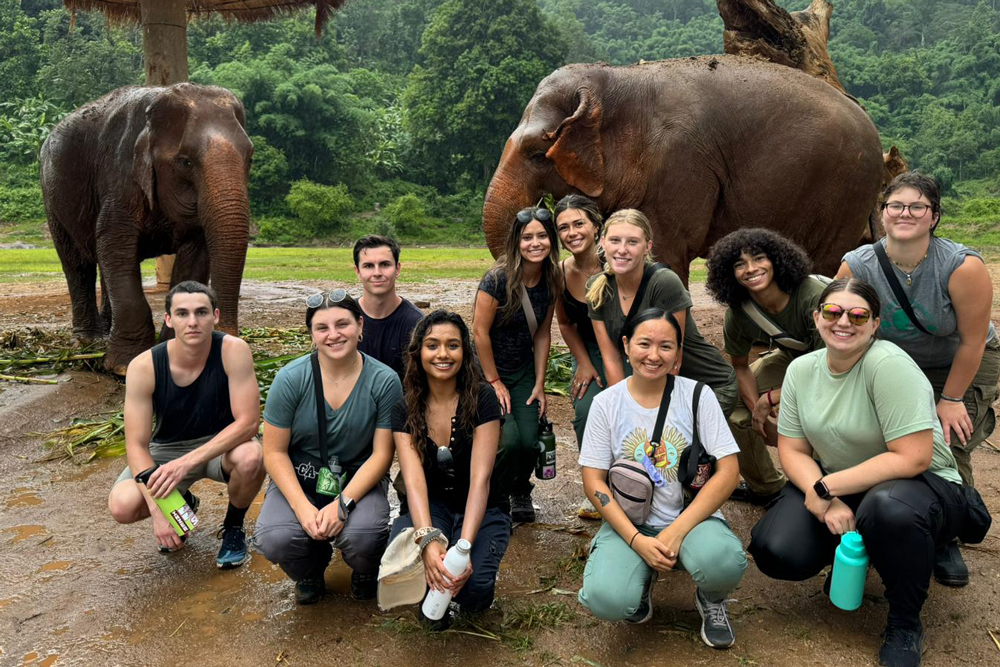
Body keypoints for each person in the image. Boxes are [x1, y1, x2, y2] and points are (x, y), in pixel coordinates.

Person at [748, 278, 982, 667]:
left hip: (921, 485)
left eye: (858, 315)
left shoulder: (888, 365)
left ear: (875, 324)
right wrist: (825, 498)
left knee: (888, 509)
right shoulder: (802, 370)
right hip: (847, 481)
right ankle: (861, 546)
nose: (844, 322)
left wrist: (825, 488)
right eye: (833, 312)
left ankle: (905, 621)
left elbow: (914, 458)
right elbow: (792, 448)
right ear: (817, 317)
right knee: (777, 550)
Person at [837, 171, 998, 586]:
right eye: (896, 205)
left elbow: (973, 340)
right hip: (896, 362)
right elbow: (840, 325)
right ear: (883, 212)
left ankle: (947, 534)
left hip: (960, 361)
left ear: (934, 216)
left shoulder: (962, 267)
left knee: (947, 438)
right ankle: (879, 522)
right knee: (885, 435)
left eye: (917, 206)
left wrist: (951, 398)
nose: (905, 213)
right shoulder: (858, 265)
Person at [578, 308, 746, 649]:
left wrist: (676, 530)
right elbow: (594, 481)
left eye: (666, 347)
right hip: (631, 521)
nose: (654, 355)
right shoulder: (606, 404)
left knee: (723, 564)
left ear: (678, 354)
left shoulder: (698, 396)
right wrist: (637, 541)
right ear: (626, 345)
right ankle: (637, 580)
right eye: (644, 343)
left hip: (691, 519)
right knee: (606, 599)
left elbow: (729, 472)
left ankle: (711, 598)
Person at [254, 290, 402, 605]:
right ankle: (309, 569)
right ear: (312, 335)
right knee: (275, 537)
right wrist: (301, 507)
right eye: (322, 328)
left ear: (360, 326)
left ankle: (365, 568)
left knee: (363, 536)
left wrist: (342, 504)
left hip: (357, 481)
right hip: (301, 479)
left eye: (343, 324)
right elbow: (274, 452)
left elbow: (382, 454)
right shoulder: (290, 379)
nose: (333, 335)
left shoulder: (385, 381)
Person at [108, 281, 264, 569]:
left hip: (222, 445)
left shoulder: (233, 350)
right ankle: (183, 503)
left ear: (215, 316)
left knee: (252, 456)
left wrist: (187, 462)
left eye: (201, 312)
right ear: (168, 319)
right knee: (122, 504)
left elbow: (248, 423)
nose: (193, 322)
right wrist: (159, 510)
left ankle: (233, 528)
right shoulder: (144, 367)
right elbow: (136, 446)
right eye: (182, 313)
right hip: (167, 450)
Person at [390, 310, 509, 624]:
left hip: (482, 509)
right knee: (409, 564)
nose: (442, 354)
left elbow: (480, 480)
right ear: (418, 353)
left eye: (452, 345)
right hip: (432, 506)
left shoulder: (483, 398)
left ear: (465, 352)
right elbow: (414, 483)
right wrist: (428, 540)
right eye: (432, 345)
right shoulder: (404, 407)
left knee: (472, 589)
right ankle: (428, 589)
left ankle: (470, 587)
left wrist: (464, 546)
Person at [705, 229, 827, 506]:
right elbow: (739, 365)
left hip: (837, 366)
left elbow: (830, 370)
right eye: (739, 264)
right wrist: (759, 413)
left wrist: (772, 397)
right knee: (728, 402)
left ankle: (824, 478)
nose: (751, 269)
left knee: (819, 410)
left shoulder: (813, 296)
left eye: (758, 259)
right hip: (793, 358)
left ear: (776, 260)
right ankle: (767, 487)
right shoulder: (739, 312)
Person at [587, 209, 739, 415]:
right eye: (615, 240)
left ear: (647, 246)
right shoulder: (597, 288)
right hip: (655, 385)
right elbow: (611, 358)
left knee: (667, 446)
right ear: (603, 242)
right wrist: (623, 407)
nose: (622, 249)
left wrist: (647, 416)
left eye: (632, 242)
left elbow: (673, 362)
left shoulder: (664, 283)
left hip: (706, 389)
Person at [473, 206, 560, 523]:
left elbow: (542, 335)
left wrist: (540, 383)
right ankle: (493, 494)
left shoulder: (552, 279)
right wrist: (493, 382)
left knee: (528, 440)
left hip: (524, 371)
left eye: (542, 236)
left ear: (551, 239)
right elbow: (480, 332)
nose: (535, 243)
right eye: (527, 238)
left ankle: (519, 489)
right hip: (488, 371)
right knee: (506, 441)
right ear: (516, 242)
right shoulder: (497, 279)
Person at [553, 195, 607, 520]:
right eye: (563, 227)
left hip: (627, 347)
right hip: (586, 349)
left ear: (596, 226)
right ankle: (596, 488)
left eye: (578, 223)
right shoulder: (560, 272)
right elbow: (565, 322)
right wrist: (584, 363)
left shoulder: (615, 262)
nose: (572, 232)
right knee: (587, 407)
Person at [354, 235, 425, 379]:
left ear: (397, 269)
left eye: (385, 264)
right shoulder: (344, 318)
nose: (377, 273)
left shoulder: (416, 323)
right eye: (368, 266)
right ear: (358, 272)